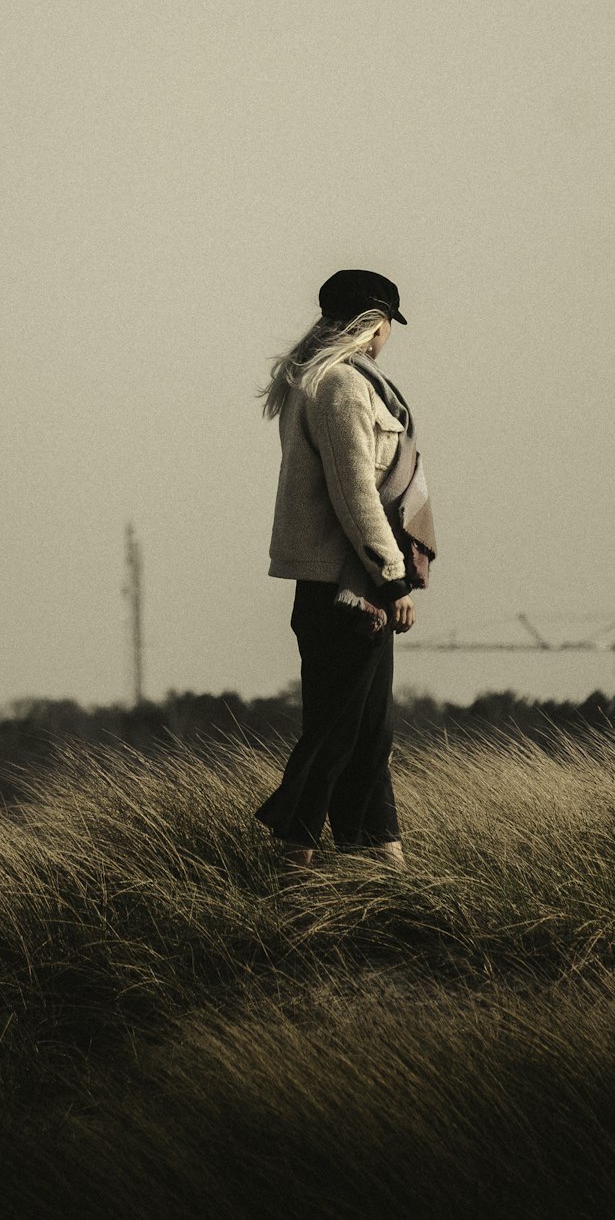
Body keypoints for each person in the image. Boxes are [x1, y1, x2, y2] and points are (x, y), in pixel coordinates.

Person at [254, 269, 436, 881]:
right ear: (373, 323)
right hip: (345, 589)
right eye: (389, 325)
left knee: (368, 735)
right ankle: (292, 867)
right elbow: (355, 491)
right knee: (336, 735)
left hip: (348, 586)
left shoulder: (344, 384)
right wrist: (392, 578)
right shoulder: (341, 390)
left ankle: (381, 868)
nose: (390, 338)